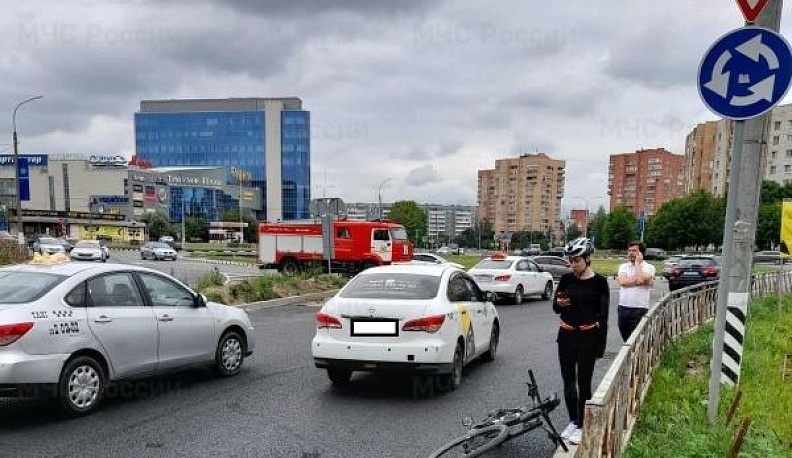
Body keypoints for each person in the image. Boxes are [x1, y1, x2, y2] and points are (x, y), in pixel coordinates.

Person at [552, 237, 610, 445]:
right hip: (566, 336)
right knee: (568, 382)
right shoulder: (566, 279)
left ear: (587, 259)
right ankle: (573, 420)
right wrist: (559, 303)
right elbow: (556, 308)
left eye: (577, 260)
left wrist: (601, 346)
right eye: (571, 261)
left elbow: (603, 317)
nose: (573, 264)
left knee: (584, 383)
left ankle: (583, 424)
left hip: (588, 337)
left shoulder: (600, 282)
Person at [617, 241, 656, 341]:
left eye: (634, 251)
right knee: (626, 339)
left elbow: (641, 279)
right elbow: (623, 282)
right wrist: (641, 280)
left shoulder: (649, 267)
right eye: (629, 251)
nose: (631, 253)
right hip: (623, 308)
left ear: (641, 253)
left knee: (638, 340)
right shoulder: (623, 266)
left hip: (640, 309)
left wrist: (637, 264)